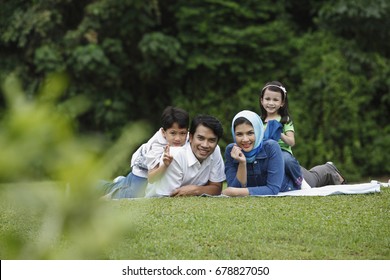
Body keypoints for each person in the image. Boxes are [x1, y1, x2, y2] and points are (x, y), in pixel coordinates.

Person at [223, 110, 346, 197]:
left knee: (315, 178)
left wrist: (238, 192)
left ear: (258, 131)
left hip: (291, 180)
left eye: (250, 133)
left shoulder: (271, 146)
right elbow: (235, 187)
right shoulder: (231, 151)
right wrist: (242, 163)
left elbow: (272, 189)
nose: (245, 139)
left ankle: (329, 168)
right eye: (239, 134)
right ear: (234, 135)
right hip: (281, 173)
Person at [101, 106, 189, 199]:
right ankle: (107, 192)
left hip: (154, 169)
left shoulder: (188, 137)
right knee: (136, 195)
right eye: (173, 133)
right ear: (164, 132)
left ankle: (122, 181)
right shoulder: (156, 146)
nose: (178, 138)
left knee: (127, 185)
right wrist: (165, 165)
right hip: (142, 170)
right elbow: (151, 178)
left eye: (182, 133)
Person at [145, 114, 226, 197]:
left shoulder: (215, 150)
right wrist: (203, 190)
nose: (205, 145)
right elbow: (170, 196)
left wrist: (195, 190)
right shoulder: (173, 155)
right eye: (200, 138)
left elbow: (217, 188)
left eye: (212, 140)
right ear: (191, 137)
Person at [259, 80, 303, 188]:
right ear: (262, 100)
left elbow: (291, 142)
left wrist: (280, 133)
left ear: (282, 103)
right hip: (265, 152)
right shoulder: (259, 120)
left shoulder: (284, 120)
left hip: (282, 152)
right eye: (267, 99)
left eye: (275, 100)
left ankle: (299, 180)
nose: (271, 103)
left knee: (286, 160)